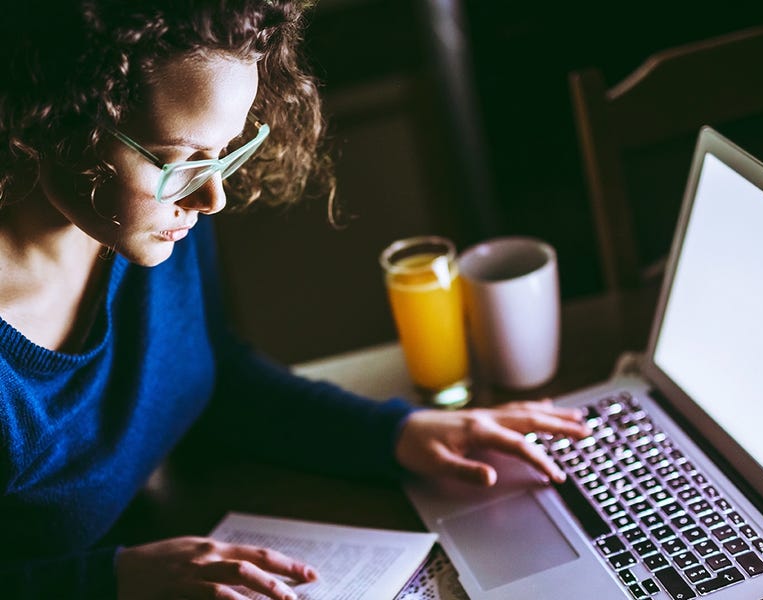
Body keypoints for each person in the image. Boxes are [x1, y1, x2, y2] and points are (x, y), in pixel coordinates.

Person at [0, 1, 590, 598]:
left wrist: (397, 434)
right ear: (49, 117)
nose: (213, 198)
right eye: (179, 160)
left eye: (228, 149)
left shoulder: (141, 224)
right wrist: (111, 579)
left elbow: (213, 378)